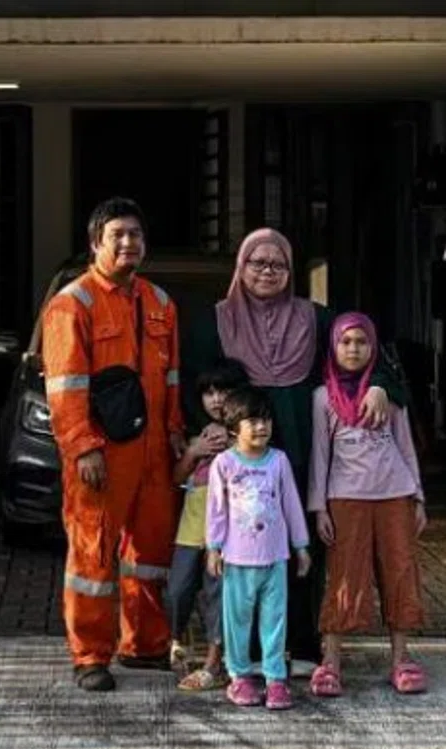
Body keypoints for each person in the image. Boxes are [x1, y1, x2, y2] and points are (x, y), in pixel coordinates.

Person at [211, 227, 408, 668]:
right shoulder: (218, 319)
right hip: (244, 453)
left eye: (277, 264)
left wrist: (378, 386)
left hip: (304, 447)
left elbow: (364, 353)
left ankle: (301, 643)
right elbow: (198, 385)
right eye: (257, 263)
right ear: (240, 267)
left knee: (301, 542)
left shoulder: (315, 319)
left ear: (290, 272)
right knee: (245, 542)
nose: (267, 271)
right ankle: (246, 651)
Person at [41, 196, 186, 693]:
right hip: (103, 454)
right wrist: (83, 448)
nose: (129, 243)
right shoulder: (71, 305)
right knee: (93, 557)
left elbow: (171, 380)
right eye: (118, 235)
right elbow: (64, 388)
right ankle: (89, 657)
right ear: (95, 244)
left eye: (136, 235)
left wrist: (174, 436)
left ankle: (144, 646)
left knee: (150, 553)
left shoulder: (162, 304)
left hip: (153, 454)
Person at [307, 311, 429, 698]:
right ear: (333, 346)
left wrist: (419, 497)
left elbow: (406, 447)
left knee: (400, 571)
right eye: (346, 342)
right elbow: (319, 458)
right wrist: (319, 507)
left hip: (395, 495)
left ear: (373, 347)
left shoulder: (389, 393)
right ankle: (331, 662)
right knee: (345, 576)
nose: (354, 349)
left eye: (362, 342)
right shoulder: (322, 397)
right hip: (346, 498)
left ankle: (401, 659)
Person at [205, 387, 312, 710]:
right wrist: (213, 547)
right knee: (237, 622)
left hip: (275, 559)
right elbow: (216, 509)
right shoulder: (223, 464)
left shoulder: (278, 461)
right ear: (235, 426)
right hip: (237, 560)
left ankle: (275, 679)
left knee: (274, 621)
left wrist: (301, 546)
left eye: (265, 419)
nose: (262, 427)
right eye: (253, 420)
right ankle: (239, 676)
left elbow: (292, 505)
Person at [166, 362, 248, 692]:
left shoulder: (246, 434)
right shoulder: (196, 435)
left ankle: (215, 661)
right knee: (178, 588)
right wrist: (194, 452)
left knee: (218, 593)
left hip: (227, 530)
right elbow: (176, 478)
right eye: (209, 393)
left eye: (223, 391)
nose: (216, 400)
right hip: (192, 525)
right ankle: (178, 637)